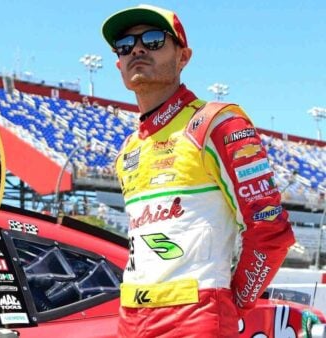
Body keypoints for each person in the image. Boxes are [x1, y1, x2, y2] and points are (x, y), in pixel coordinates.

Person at [101, 5, 295, 337]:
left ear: (183, 56)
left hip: (196, 318)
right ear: (119, 64)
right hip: (130, 318)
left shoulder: (216, 123)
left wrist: (236, 303)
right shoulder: (129, 148)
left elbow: (270, 232)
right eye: (125, 45)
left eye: (153, 39)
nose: (137, 49)